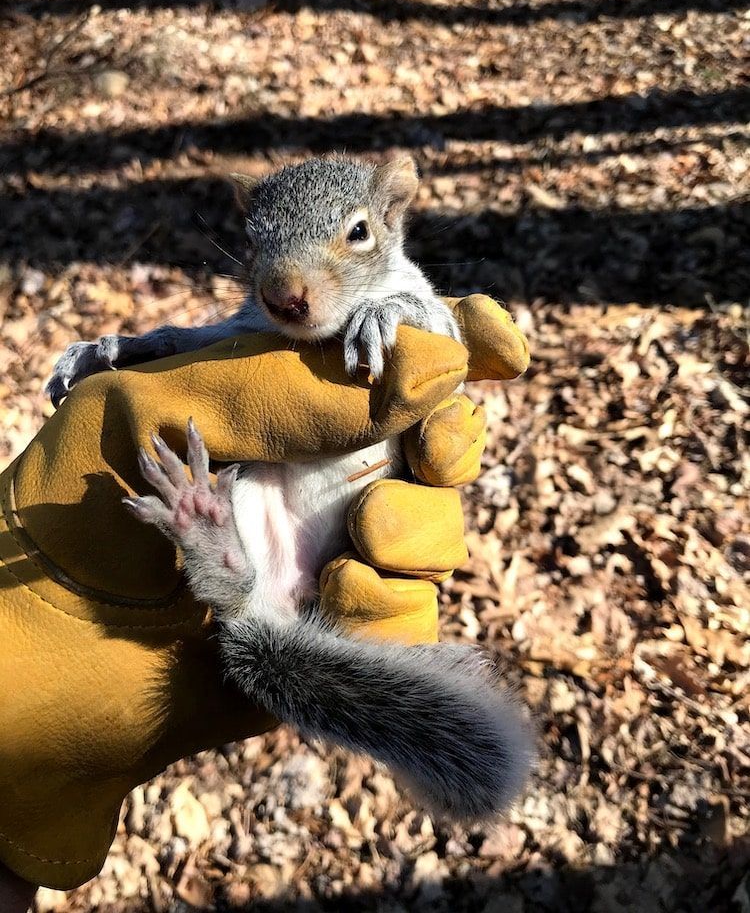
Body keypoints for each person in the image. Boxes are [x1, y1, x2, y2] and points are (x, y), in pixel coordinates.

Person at [0, 295, 529, 910]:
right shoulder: (266, 313)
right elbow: (205, 335)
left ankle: (236, 578)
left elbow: (435, 337)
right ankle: (223, 562)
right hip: (263, 518)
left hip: (326, 533)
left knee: (354, 558)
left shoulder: (395, 289)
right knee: (270, 569)